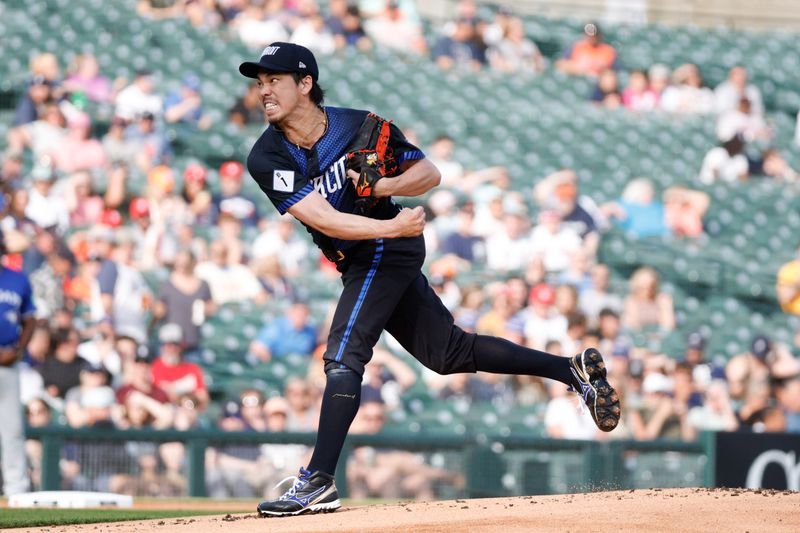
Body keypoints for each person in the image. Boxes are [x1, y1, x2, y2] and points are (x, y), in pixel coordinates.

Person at [238, 42, 620, 516]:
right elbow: (324, 219)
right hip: (372, 245)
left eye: (274, 80)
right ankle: (571, 371)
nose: (264, 91)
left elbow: (428, 172)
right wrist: (390, 224)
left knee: (343, 354)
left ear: (306, 84)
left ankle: (318, 480)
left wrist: (386, 188)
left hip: (386, 249)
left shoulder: (358, 125)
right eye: (260, 82)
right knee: (448, 353)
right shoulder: (267, 155)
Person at [0, 232, 36, 496]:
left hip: (8, 362)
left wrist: (19, 348)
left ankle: (17, 490)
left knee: (12, 429)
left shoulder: (17, 278)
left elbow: (30, 319)